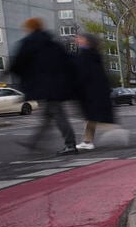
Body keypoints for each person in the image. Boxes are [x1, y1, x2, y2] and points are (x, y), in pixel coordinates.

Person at [9, 16, 79, 155]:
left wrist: (10, 73)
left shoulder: (28, 43)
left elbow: (18, 63)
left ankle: (70, 145)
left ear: (30, 28)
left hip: (45, 87)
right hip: (58, 86)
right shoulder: (53, 43)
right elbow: (68, 62)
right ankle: (34, 142)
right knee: (48, 116)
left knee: (58, 115)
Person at [73, 33, 115, 150]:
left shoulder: (86, 54)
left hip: (91, 91)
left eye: (80, 38)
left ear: (86, 41)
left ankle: (88, 141)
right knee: (91, 117)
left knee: (91, 116)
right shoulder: (92, 54)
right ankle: (88, 141)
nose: (77, 40)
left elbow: (84, 73)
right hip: (94, 91)